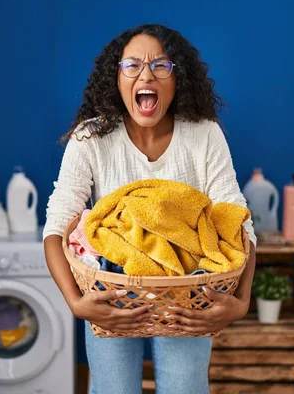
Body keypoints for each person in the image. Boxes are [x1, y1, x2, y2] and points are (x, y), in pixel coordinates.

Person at [42, 24, 257, 394]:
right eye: (132, 65)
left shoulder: (204, 134)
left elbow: (236, 218)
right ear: (117, 77)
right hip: (112, 285)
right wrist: (77, 304)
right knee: (113, 389)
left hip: (188, 286)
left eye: (161, 65)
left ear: (178, 79)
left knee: (186, 388)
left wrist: (242, 301)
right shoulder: (91, 138)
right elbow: (57, 225)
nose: (146, 74)